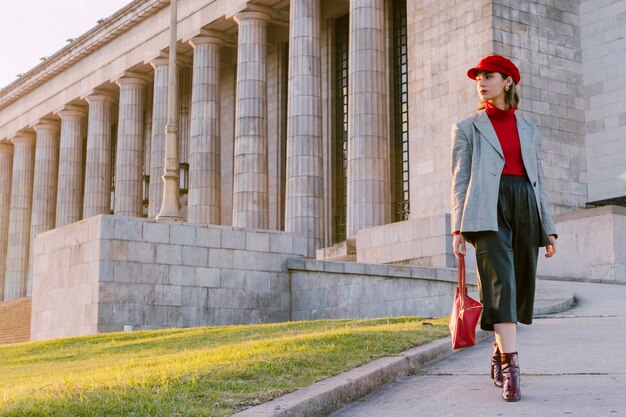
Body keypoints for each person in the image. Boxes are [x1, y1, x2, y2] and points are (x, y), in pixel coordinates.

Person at [450, 54, 558, 402]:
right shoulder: (468, 127)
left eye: (489, 76)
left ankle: (498, 351)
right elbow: (460, 179)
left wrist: (548, 227)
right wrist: (457, 229)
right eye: (478, 78)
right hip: (486, 209)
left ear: (507, 81)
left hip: (524, 203)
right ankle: (512, 370)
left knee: (520, 285)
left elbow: (537, 179)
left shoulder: (528, 128)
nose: (481, 82)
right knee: (501, 284)